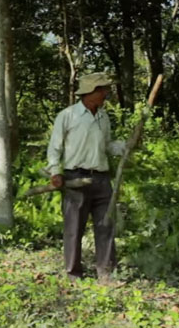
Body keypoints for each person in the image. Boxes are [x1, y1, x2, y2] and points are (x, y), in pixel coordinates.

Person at [46, 72, 125, 281]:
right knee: (74, 228)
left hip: (101, 179)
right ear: (91, 92)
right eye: (102, 90)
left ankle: (106, 273)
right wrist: (56, 171)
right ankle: (74, 274)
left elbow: (107, 145)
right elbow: (55, 147)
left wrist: (127, 146)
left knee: (105, 226)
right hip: (76, 178)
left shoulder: (103, 117)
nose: (106, 94)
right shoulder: (68, 116)